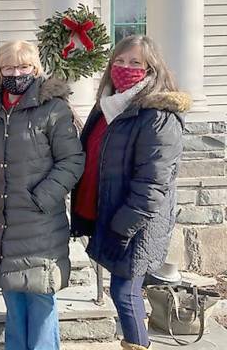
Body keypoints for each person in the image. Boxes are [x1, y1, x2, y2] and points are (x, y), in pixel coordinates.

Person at [70, 35, 191, 350]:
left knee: (125, 293)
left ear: (151, 68)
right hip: (108, 214)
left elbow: (152, 184)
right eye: (119, 62)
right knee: (123, 291)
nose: (124, 68)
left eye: (135, 62)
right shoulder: (110, 106)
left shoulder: (158, 115)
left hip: (135, 223)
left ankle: (139, 344)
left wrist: (122, 227)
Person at [0, 40, 84, 350]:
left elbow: (72, 160)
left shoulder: (54, 109)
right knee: (13, 300)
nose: (16, 73)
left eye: (23, 67)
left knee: (40, 300)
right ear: (0, 71)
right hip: (4, 224)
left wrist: (41, 198)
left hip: (40, 224)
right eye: (8, 67)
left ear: (35, 69)